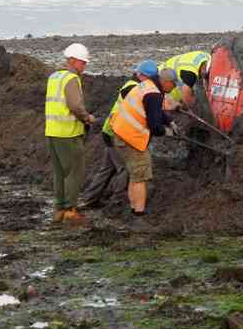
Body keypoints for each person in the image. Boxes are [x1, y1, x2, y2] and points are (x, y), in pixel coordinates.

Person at [110, 64, 181, 219]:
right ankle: (139, 214)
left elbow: (154, 111)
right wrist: (166, 132)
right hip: (132, 138)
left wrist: (170, 121)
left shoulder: (149, 86)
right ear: (167, 81)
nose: (174, 88)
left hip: (121, 133)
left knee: (135, 176)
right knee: (141, 176)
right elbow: (155, 126)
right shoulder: (153, 94)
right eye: (174, 85)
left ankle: (134, 208)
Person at [81, 64, 149, 209]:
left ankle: (89, 199)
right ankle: (117, 201)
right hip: (115, 133)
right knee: (125, 168)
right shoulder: (132, 88)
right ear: (141, 76)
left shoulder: (133, 86)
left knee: (107, 168)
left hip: (110, 131)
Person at [45, 43, 96, 225]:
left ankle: (59, 209)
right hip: (69, 133)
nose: (84, 66)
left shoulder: (54, 77)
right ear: (73, 60)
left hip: (52, 132)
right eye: (83, 62)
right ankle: (70, 211)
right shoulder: (71, 79)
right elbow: (75, 105)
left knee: (59, 172)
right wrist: (87, 118)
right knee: (75, 172)